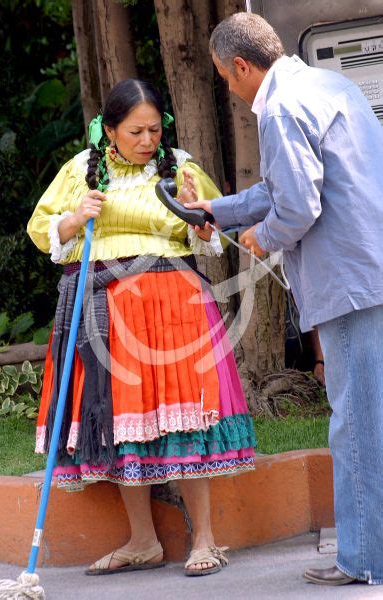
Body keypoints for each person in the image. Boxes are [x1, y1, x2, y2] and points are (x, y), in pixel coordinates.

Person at [27, 79, 256, 577]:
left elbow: (212, 236)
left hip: (174, 306)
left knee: (186, 419)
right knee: (121, 424)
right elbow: (42, 229)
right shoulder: (80, 172)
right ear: (109, 130)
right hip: (105, 312)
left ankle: (206, 541)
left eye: (155, 129)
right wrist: (72, 219)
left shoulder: (182, 167)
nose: (147, 140)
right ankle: (143, 541)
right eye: (135, 131)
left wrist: (201, 219)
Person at [186, 12, 383, 586]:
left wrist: (261, 236)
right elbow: (280, 188)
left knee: (357, 423)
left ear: (242, 65)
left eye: (225, 76)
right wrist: (216, 212)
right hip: (369, 268)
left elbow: (295, 208)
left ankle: (365, 558)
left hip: (348, 281)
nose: (230, 87)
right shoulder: (327, 84)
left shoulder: (278, 107)